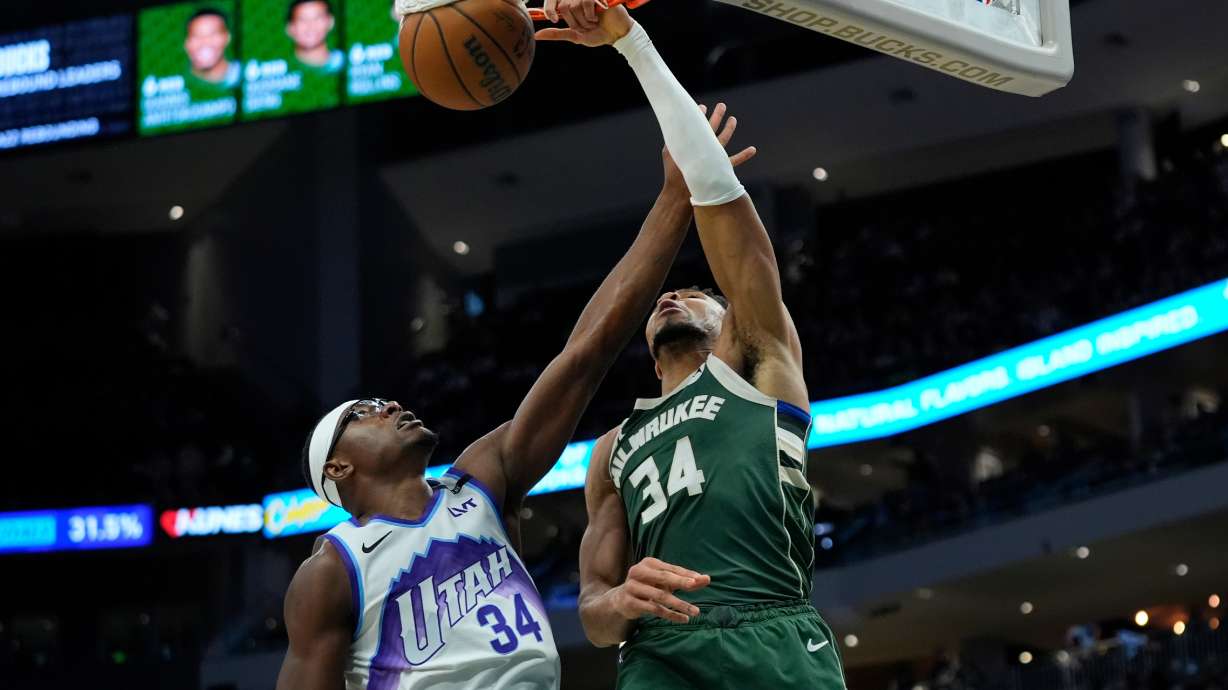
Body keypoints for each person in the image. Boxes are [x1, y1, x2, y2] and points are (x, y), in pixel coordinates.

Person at [274, 119, 756, 688]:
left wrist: (675, 200)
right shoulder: (334, 569)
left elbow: (586, 353)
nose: (389, 406)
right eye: (365, 411)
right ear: (338, 467)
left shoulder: (479, 482)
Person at [538, 6, 848, 689]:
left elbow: (720, 200)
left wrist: (634, 45)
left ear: (729, 317)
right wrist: (616, 602)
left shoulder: (758, 363)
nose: (672, 297)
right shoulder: (611, 448)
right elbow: (592, 611)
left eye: (698, 292)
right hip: (661, 653)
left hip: (772, 630)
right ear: (649, 354)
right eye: (663, 300)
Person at [184, 8, 239, 87]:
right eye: (196, 36)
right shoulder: (174, 84)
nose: (205, 42)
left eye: (213, 34)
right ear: (187, 43)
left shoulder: (248, 75)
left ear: (227, 38)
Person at [286, 0, 344, 72]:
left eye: (317, 18)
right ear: (290, 28)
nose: (310, 26)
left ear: (330, 22)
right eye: (302, 19)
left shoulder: (347, 65)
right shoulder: (279, 73)